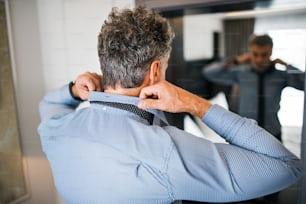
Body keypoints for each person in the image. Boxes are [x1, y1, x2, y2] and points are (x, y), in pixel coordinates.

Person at [37, 7, 302, 204]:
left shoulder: (57, 131)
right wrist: (193, 104)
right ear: (154, 71)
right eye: (164, 66)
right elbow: (286, 167)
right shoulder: (168, 152)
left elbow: (48, 105)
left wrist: (73, 90)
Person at [203, 34, 305, 142]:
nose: (259, 59)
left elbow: (303, 84)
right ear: (250, 53)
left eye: (264, 55)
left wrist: (288, 65)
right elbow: (209, 73)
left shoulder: (281, 76)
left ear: (271, 52)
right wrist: (236, 61)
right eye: (255, 54)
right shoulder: (241, 73)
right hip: (246, 134)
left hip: (273, 133)